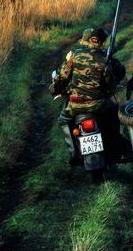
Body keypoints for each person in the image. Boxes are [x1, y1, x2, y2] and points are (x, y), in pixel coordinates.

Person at [50, 27, 125, 165]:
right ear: (100, 42)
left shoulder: (74, 56)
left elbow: (62, 77)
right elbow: (111, 83)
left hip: (75, 105)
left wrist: (54, 89)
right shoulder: (104, 59)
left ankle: (73, 153)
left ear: (85, 40)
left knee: (63, 120)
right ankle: (115, 148)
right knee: (115, 115)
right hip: (99, 105)